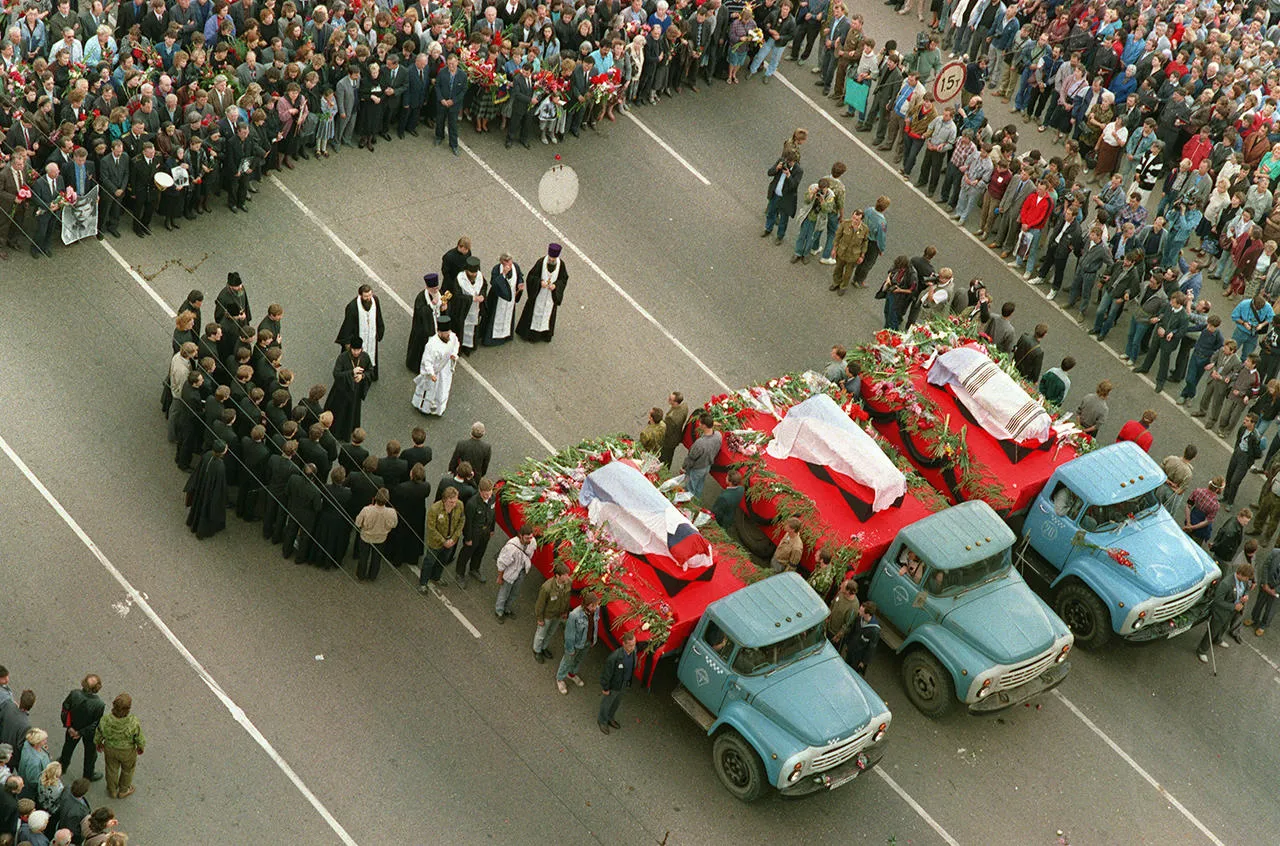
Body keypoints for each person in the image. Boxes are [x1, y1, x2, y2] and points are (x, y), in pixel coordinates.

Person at [1196, 561, 1254, 664]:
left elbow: (1246, 589)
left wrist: (1246, 595)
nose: (1247, 580)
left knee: (1224, 626)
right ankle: (1202, 650)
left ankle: (1217, 639)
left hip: (1232, 611)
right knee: (1213, 630)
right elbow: (1217, 601)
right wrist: (1234, 606)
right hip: (1221, 612)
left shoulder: (1244, 581)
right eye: (1246, 578)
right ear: (1240, 574)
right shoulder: (1226, 583)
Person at [93, 694, 143, 800]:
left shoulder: (106, 720)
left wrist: (98, 743)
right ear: (128, 708)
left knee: (111, 769)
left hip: (110, 749)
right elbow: (139, 736)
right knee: (128, 770)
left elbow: (99, 733)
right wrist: (140, 746)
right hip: (127, 751)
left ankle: (112, 790)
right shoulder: (133, 721)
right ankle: (123, 790)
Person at [516, 243, 569, 342]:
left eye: (553, 260)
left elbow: (563, 279)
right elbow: (531, 276)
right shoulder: (541, 262)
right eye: (550, 258)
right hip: (538, 294)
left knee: (547, 315)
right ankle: (531, 335)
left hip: (550, 296)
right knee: (534, 313)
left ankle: (545, 335)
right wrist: (539, 282)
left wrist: (556, 286)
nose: (551, 261)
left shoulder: (561, 265)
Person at [324, 338, 373, 441]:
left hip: (355, 391)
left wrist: (362, 376)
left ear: (361, 349)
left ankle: (348, 433)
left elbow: (370, 371)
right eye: (354, 350)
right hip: (342, 391)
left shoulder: (365, 357)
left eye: (358, 350)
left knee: (351, 413)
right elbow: (336, 374)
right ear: (350, 348)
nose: (355, 352)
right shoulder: (343, 358)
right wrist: (351, 372)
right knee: (340, 412)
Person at [57, 676, 104, 784]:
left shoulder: (74, 694)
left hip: (72, 728)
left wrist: (69, 727)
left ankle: (62, 766)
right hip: (89, 733)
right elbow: (95, 723)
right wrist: (81, 732)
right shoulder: (99, 704)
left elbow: (65, 710)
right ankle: (88, 775)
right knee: (90, 754)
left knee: (68, 747)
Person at [335, 285, 385, 383]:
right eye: (366, 296)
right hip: (358, 336)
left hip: (371, 336)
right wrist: (348, 343)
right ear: (360, 295)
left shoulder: (375, 300)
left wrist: (380, 330)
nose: (368, 298)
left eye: (370, 295)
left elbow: (378, 316)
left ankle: (369, 374)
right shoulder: (352, 307)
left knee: (370, 354)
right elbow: (348, 325)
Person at [411, 316, 460, 416]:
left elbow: (456, 345)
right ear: (440, 332)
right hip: (434, 372)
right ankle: (424, 408)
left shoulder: (452, 337)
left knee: (442, 389)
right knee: (429, 391)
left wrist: (454, 355)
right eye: (446, 333)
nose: (448, 335)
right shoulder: (432, 345)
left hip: (445, 370)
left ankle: (439, 408)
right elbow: (427, 361)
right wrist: (431, 374)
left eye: (449, 332)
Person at [421, 486, 466, 591]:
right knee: (429, 562)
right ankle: (423, 582)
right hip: (436, 542)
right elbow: (431, 528)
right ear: (444, 500)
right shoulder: (435, 509)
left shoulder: (460, 505)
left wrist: (454, 538)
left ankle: (436, 577)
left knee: (442, 560)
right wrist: (443, 541)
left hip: (450, 541)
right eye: (451, 502)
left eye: (455, 501)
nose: (454, 504)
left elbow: (462, 521)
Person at [455, 478, 496, 586]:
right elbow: (467, 523)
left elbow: (493, 514)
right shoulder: (472, 504)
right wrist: (468, 538)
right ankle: (460, 574)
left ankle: (474, 569)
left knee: (480, 551)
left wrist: (492, 529)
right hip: (474, 533)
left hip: (486, 532)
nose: (488, 496)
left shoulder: (493, 498)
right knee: (466, 553)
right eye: (485, 494)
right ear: (480, 491)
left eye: (489, 493)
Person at [184, 440, 229, 539]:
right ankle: (202, 530)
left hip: (201, 486)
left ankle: (193, 522)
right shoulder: (220, 466)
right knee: (206, 509)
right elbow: (219, 485)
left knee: (198, 505)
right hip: (210, 492)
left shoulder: (207, 455)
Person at [557, 590, 600, 693]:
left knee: (578, 660)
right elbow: (569, 634)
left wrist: (593, 640)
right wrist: (570, 649)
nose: (596, 608)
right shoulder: (574, 615)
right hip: (576, 644)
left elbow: (595, 625)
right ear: (588, 605)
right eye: (594, 606)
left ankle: (571, 674)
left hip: (587, 642)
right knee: (567, 661)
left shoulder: (596, 610)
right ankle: (560, 678)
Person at [354, 488, 398, 582]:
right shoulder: (391, 512)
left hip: (366, 537)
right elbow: (394, 525)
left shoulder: (366, 510)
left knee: (363, 557)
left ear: (375, 498)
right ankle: (372, 576)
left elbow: (357, 523)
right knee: (376, 558)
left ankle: (361, 575)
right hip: (381, 538)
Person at [532, 563, 573, 663]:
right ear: (557, 576)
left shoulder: (568, 583)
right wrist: (540, 619)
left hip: (559, 614)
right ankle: (537, 650)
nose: (568, 577)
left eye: (568, 574)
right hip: (547, 615)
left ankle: (544, 647)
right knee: (541, 633)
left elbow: (567, 599)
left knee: (551, 633)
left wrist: (565, 612)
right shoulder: (547, 588)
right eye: (565, 575)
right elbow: (540, 605)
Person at [598, 631, 637, 734]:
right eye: (630, 645)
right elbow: (606, 674)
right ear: (623, 644)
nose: (633, 648)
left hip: (623, 684)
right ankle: (602, 721)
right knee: (607, 703)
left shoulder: (633, 652)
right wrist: (605, 688)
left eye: (634, 645)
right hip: (614, 686)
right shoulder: (614, 657)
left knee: (616, 703)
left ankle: (610, 717)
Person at [494, 524, 536, 620]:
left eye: (531, 537)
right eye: (527, 538)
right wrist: (500, 577)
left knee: (514, 593)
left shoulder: (532, 542)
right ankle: (499, 611)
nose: (530, 540)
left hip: (521, 572)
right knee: (504, 592)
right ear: (520, 536)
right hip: (510, 573)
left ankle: (507, 609)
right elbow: (501, 563)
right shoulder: (511, 547)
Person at [481, 254, 524, 346]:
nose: (508, 265)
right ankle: (491, 339)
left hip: (510, 299)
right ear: (501, 262)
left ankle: (506, 335)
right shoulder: (496, 269)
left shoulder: (516, 267)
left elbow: (520, 276)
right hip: (498, 299)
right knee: (494, 317)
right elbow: (494, 282)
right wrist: (503, 274)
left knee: (508, 317)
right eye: (506, 263)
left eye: (509, 262)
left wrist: (520, 283)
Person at [405, 274, 444, 372]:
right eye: (433, 288)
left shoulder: (439, 293)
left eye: (436, 288)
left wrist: (443, 307)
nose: (435, 290)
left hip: (436, 324)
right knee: (421, 348)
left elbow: (442, 307)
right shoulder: (421, 297)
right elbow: (420, 312)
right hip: (424, 328)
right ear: (427, 287)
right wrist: (431, 305)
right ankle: (417, 366)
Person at [762, 151, 802, 244]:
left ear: (794, 161)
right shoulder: (781, 161)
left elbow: (794, 186)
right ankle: (768, 228)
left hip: (785, 198)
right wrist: (777, 168)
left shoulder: (799, 171)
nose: (787, 164)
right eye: (787, 161)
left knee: (783, 219)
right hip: (775, 194)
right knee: (771, 212)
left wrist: (789, 175)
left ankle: (780, 236)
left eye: (790, 162)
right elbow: (769, 172)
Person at [1224, 414, 1263, 508]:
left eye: (1247, 420)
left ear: (1253, 423)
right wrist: (1236, 450)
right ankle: (1225, 496)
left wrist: (1249, 460)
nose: (1244, 421)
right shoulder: (1242, 429)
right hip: (1237, 453)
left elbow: (1258, 453)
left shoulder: (1255, 436)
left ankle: (1230, 502)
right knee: (1229, 476)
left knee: (1235, 481)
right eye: (1245, 419)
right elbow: (1238, 439)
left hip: (1245, 459)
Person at [682, 412, 722, 500]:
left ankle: (687, 504)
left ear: (704, 426)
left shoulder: (700, 443)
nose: (699, 424)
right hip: (707, 466)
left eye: (700, 423)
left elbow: (691, 458)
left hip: (697, 469)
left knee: (690, 488)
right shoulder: (718, 435)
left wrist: (684, 467)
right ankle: (697, 500)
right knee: (699, 485)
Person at [1246, 548, 1280, 637]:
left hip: (1276, 591)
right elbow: (1265, 566)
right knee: (1259, 603)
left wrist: (1276, 590)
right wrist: (1265, 583)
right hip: (1266, 585)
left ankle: (1263, 625)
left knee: (1270, 609)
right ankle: (1254, 618)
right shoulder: (1275, 552)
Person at [844, 600, 880, 676]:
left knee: (852, 674)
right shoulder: (859, 619)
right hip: (851, 651)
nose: (858, 611)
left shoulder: (874, 630)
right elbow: (852, 632)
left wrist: (863, 662)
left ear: (867, 614)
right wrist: (848, 644)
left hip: (858, 658)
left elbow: (871, 648)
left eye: (861, 611)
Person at [825, 578, 859, 657]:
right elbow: (833, 603)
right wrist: (827, 617)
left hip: (835, 634)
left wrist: (838, 636)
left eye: (843, 586)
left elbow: (847, 624)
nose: (840, 586)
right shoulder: (841, 593)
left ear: (848, 591)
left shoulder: (853, 606)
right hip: (828, 626)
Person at [660, 392, 688, 467]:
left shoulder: (671, 418)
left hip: (669, 441)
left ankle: (664, 469)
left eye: (670, 399)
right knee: (670, 455)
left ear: (675, 402)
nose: (668, 399)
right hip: (677, 435)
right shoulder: (684, 407)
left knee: (665, 457)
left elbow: (667, 431)